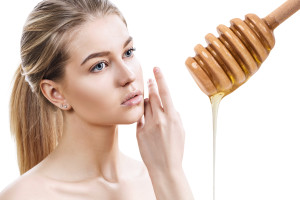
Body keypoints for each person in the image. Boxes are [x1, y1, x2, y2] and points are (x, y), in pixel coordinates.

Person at [0, 0, 194, 199]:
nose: (128, 76)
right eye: (99, 66)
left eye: (128, 53)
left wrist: (169, 172)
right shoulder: (25, 196)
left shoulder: (157, 176)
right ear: (55, 94)